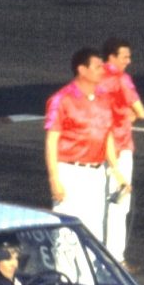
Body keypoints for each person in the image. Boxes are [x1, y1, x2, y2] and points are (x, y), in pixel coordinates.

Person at [44, 47, 125, 239]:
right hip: (70, 173)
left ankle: (88, 271)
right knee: (66, 233)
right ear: (82, 70)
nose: (102, 70)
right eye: (97, 66)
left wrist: (117, 172)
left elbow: (108, 137)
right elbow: (51, 141)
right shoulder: (61, 99)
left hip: (97, 174)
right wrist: (54, 178)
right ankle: (66, 270)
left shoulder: (105, 98)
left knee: (94, 232)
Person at [95, 37, 144, 265]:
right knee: (119, 204)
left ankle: (97, 255)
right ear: (112, 57)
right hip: (120, 147)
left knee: (98, 203)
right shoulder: (121, 80)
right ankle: (116, 259)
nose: (129, 60)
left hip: (96, 148)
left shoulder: (94, 78)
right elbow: (141, 112)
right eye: (125, 56)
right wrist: (127, 117)